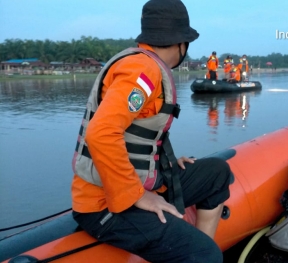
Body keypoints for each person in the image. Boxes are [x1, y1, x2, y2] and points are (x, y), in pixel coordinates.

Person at [70, 1, 232, 262]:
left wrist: (162, 163)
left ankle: (192, 247)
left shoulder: (145, 65)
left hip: (141, 181)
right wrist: (138, 195)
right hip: (105, 204)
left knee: (216, 173)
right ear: (181, 43)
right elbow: (101, 132)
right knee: (206, 255)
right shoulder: (142, 71)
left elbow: (138, 135)